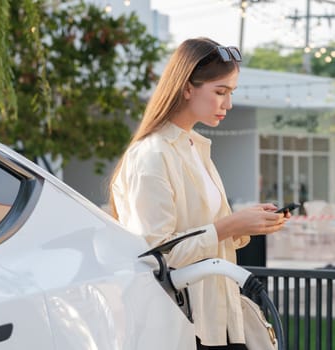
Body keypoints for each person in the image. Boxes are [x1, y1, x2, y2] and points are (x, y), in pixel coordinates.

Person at [108, 37, 289, 349]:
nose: (228, 104)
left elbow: (203, 236)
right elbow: (154, 255)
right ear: (187, 87)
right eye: (220, 92)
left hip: (219, 321)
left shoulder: (196, 147)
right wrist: (228, 226)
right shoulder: (152, 154)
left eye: (230, 93)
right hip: (179, 326)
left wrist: (246, 224)